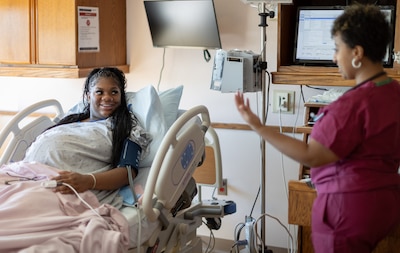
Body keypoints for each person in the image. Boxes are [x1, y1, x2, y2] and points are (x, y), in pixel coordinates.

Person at [235, 4, 400, 253]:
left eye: (337, 49)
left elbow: (311, 155)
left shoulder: (351, 106)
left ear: (357, 52)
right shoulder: (393, 92)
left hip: (348, 210)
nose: (334, 58)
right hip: (384, 205)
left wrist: (258, 126)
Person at [23, 67, 151, 208]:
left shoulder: (126, 128)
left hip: (60, 186)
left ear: (121, 97)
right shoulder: (69, 120)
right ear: (89, 96)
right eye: (99, 92)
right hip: (26, 176)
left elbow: (128, 172)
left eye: (114, 92)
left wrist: (88, 181)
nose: (107, 97)